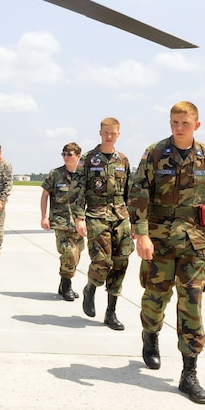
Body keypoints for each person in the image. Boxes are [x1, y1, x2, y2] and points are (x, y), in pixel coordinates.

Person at [128, 101, 205, 405]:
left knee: (191, 303)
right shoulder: (155, 153)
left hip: (195, 242)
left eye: (184, 123)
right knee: (155, 297)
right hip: (159, 241)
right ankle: (150, 334)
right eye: (174, 122)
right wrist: (142, 234)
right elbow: (138, 194)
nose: (178, 127)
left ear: (196, 125)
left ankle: (189, 373)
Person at [74, 117, 133, 331]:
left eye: (113, 133)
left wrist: (134, 222)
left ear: (118, 134)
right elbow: (77, 189)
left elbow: (130, 193)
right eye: (106, 132)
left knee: (120, 263)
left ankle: (111, 312)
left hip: (121, 217)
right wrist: (79, 218)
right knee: (102, 262)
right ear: (100, 133)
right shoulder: (89, 159)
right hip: (96, 216)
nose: (109, 136)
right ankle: (91, 287)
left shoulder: (123, 160)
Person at [40, 142, 85, 301]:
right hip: (61, 222)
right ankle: (67, 285)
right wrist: (44, 216)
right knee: (69, 254)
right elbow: (45, 195)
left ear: (78, 156)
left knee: (77, 255)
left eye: (69, 154)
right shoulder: (55, 174)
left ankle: (63, 282)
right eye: (64, 154)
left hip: (79, 224)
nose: (66, 157)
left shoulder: (84, 176)